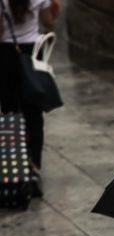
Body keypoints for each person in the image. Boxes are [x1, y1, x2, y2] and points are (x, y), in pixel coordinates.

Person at [0, 0, 61, 197]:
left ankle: (14, 167)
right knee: (34, 115)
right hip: (33, 53)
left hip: (7, 56)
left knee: (9, 113)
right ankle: (34, 168)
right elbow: (49, 23)